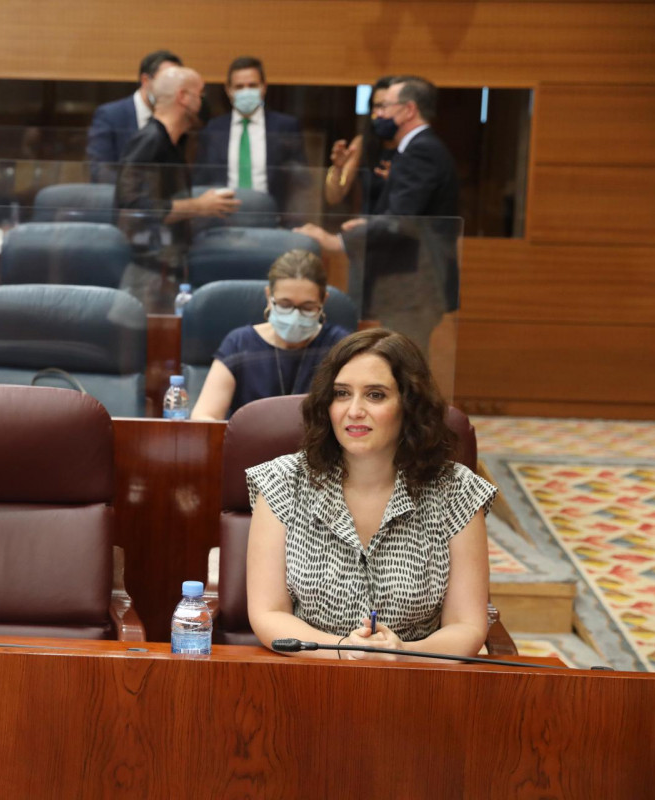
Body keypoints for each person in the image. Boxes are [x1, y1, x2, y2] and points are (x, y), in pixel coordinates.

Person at [244, 328, 494, 661]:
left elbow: (467, 626)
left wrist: (402, 653)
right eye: (342, 393)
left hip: (419, 687)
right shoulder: (282, 482)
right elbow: (268, 614)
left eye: (375, 395)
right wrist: (342, 650)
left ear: (409, 404)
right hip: (308, 680)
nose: (354, 410)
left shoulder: (457, 490)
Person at [295, 76, 459, 356]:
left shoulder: (422, 151)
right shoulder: (414, 149)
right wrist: (369, 225)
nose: (378, 114)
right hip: (406, 283)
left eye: (386, 106)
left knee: (406, 368)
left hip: (415, 284)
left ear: (408, 109)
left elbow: (401, 220)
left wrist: (339, 242)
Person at [114, 65, 240, 311]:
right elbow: (131, 206)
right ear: (184, 97)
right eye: (200, 95)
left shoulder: (175, 142)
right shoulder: (149, 140)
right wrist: (198, 206)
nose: (204, 103)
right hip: (144, 269)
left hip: (166, 264)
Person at [191, 250, 351, 420]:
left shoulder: (340, 347)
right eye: (285, 304)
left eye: (307, 307)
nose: (295, 316)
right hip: (250, 444)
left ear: (323, 301)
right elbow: (204, 415)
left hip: (318, 446)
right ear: (269, 296)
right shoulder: (239, 344)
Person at [194, 56, 310, 216]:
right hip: (224, 217)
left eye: (252, 85)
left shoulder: (285, 126)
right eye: (239, 87)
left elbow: (300, 181)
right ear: (228, 90)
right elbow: (201, 180)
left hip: (272, 217)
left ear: (264, 87)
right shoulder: (213, 129)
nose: (246, 91)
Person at [86, 50, 182, 183]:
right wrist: (138, 193)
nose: (171, 90)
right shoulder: (110, 115)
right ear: (145, 80)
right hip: (119, 198)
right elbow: (101, 170)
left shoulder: (178, 118)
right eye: (165, 82)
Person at [323, 75, 399, 212]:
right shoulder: (362, 142)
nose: (380, 113)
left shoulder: (414, 146)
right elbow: (333, 198)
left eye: (386, 106)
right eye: (376, 106)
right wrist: (337, 168)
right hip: (366, 227)